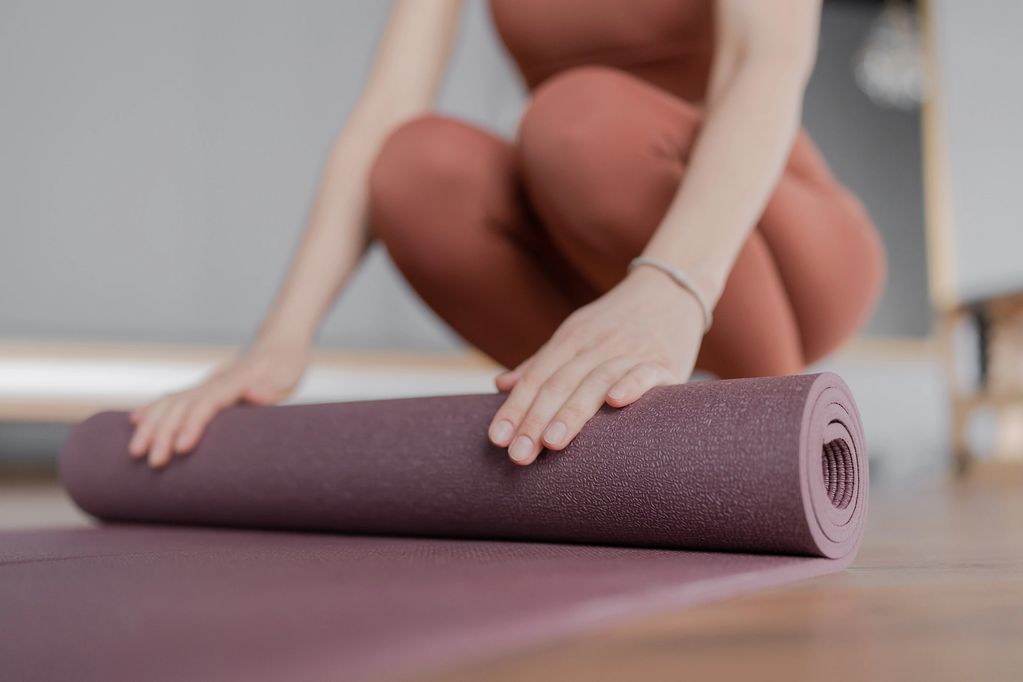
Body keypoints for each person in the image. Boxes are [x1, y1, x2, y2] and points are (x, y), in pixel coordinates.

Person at [129, 0, 885, 469]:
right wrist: (280, 339)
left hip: (777, 242)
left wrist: (673, 284)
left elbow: (767, 61)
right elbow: (384, 114)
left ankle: (782, 441)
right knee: (415, 168)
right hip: (600, 253)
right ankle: (609, 438)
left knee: (573, 121)